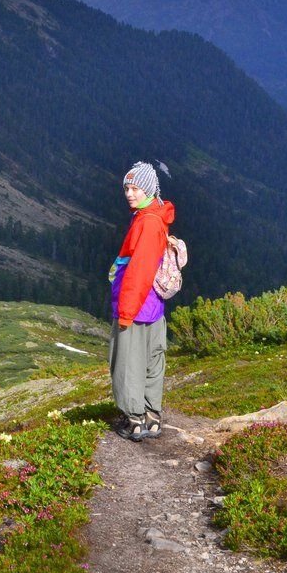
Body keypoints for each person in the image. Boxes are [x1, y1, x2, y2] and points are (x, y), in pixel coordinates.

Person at [109, 161, 176, 442]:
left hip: (136, 305)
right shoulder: (154, 216)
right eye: (127, 187)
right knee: (151, 360)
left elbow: (139, 272)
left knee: (127, 361)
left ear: (148, 189)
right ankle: (152, 416)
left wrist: (125, 311)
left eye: (136, 188)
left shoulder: (147, 222)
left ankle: (134, 420)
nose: (129, 193)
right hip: (152, 307)